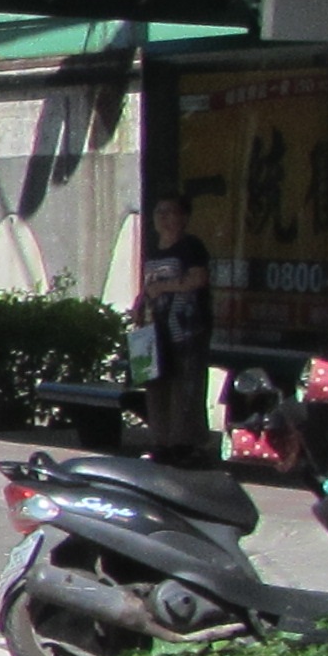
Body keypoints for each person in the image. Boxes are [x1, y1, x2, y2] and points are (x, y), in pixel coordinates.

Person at [136, 194, 215, 463]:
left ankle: (187, 442)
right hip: (155, 330)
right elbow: (148, 284)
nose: (163, 219)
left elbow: (198, 279)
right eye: (159, 212)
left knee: (186, 385)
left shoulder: (190, 246)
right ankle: (161, 441)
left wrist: (164, 287)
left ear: (183, 217)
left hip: (186, 328)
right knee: (157, 386)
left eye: (170, 213)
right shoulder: (154, 248)